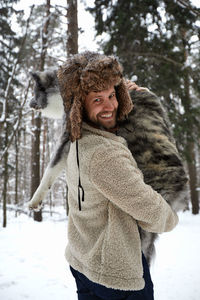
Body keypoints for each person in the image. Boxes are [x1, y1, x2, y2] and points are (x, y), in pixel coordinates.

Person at [57, 51, 178, 300]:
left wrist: (138, 97)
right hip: (117, 277)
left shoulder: (77, 139)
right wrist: (171, 217)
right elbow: (153, 212)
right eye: (97, 100)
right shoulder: (105, 155)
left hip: (82, 260)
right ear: (80, 104)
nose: (110, 105)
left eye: (112, 95)